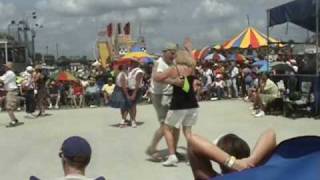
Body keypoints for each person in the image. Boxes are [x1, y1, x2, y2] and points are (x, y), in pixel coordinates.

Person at [155, 49, 199, 166]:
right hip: (192, 104)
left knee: (167, 128)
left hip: (178, 104)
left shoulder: (174, 69)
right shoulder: (191, 69)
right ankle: (191, 157)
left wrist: (172, 81)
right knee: (188, 133)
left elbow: (157, 78)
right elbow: (193, 85)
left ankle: (172, 155)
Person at [188, 129, 276, 180]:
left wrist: (231, 162)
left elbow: (192, 141)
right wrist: (250, 161)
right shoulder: (261, 174)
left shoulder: (211, 177)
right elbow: (270, 134)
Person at [145, 43, 181, 161]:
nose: (173, 55)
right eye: (171, 52)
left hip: (171, 95)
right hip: (160, 96)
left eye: (175, 53)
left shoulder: (173, 63)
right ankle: (152, 148)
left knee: (175, 125)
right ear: (165, 52)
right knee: (165, 125)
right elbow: (157, 78)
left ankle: (173, 151)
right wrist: (174, 82)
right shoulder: (159, 63)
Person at [0, 63, 24, 127]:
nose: (4, 67)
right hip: (10, 92)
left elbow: (2, 80)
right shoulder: (7, 73)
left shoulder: (10, 73)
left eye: (5, 66)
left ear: (9, 67)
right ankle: (14, 119)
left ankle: (13, 121)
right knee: (8, 107)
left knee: (9, 107)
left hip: (12, 91)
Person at [127, 60, 145, 128]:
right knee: (129, 105)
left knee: (133, 105)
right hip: (129, 89)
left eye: (132, 62)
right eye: (131, 62)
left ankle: (133, 120)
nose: (130, 63)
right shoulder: (130, 70)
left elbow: (137, 83)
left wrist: (134, 93)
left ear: (136, 63)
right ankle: (131, 118)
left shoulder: (139, 71)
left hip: (136, 90)